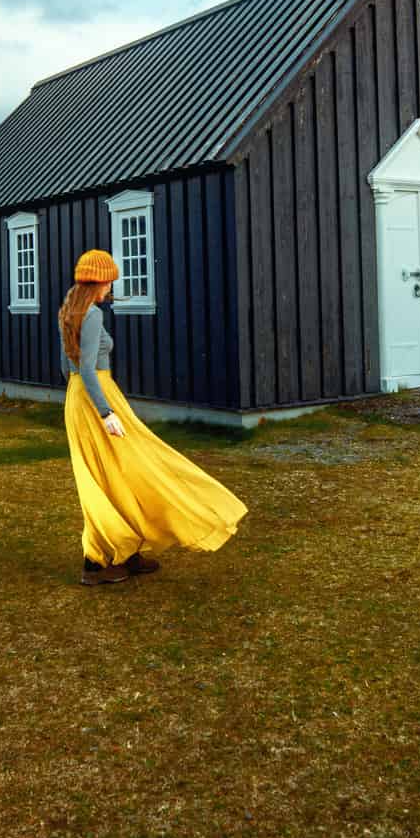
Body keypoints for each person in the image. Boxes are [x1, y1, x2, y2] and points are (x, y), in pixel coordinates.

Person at [58, 248, 247, 587]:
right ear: (97, 282)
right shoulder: (93, 314)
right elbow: (86, 367)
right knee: (114, 475)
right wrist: (106, 412)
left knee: (117, 474)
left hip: (79, 397)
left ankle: (126, 551)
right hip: (96, 397)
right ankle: (96, 562)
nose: (109, 289)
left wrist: (87, 402)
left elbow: (67, 367)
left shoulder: (70, 311)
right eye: (108, 283)